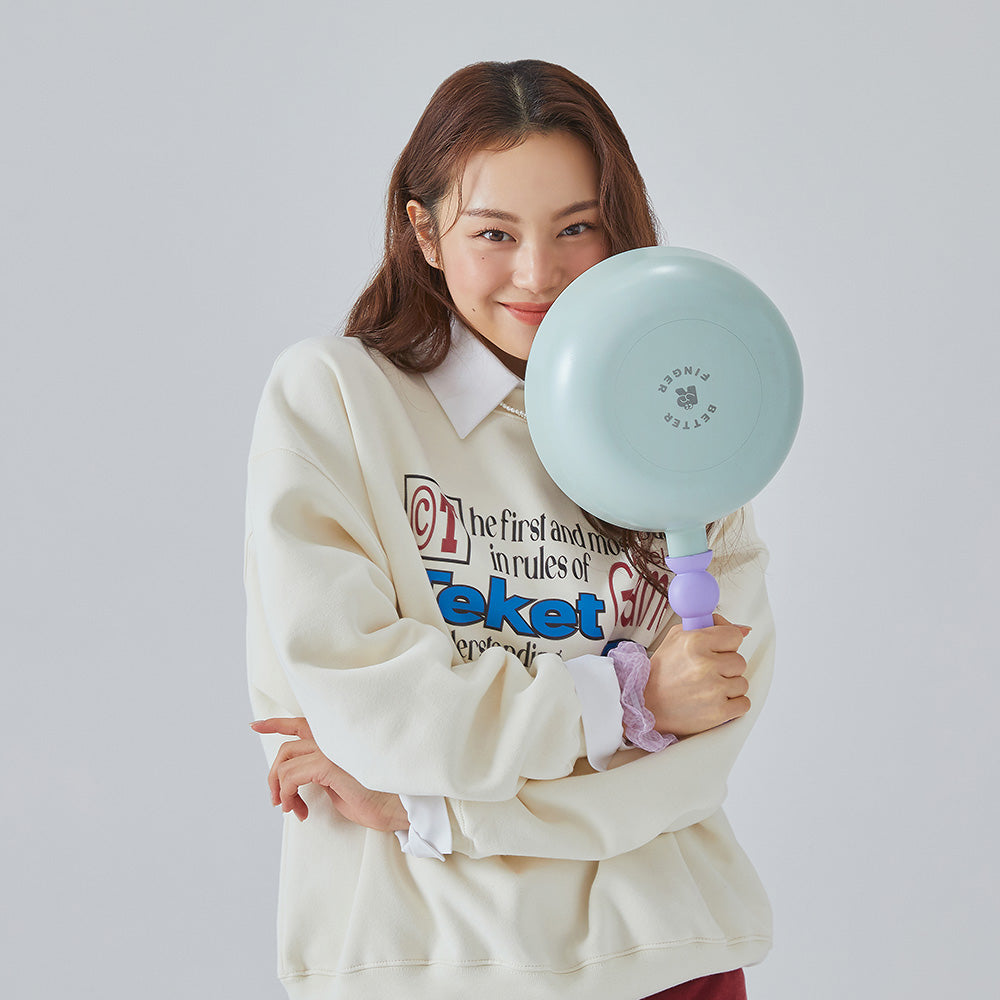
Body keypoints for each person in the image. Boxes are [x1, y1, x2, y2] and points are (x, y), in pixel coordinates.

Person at [246, 59, 774, 1000]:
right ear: (425, 232)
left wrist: (427, 810)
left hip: (666, 958)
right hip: (422, 967)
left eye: (577, 227)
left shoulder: (681, 422)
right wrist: (627, 702)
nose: (540, 273)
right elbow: (364, 703)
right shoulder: (336, 401)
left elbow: (697, 766)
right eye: (494, 232)